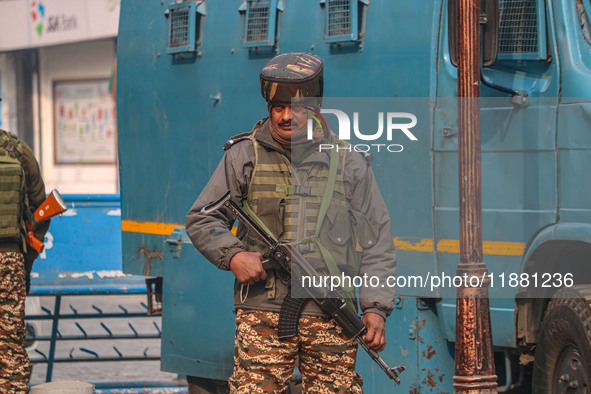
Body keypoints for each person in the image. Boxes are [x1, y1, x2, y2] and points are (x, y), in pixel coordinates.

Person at [186, 52, 396, 393]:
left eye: (295, 108)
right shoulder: (244, 155)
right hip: (262, 311)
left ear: (314, 108)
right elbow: (203, 217)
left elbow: (377, 243)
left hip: (331, 309)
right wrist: (235, 255)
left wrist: (375, 307)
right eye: (277, 107)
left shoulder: (349, 163)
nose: (285, 116)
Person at [0, 114, 49, 393]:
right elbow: (42, 213)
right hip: (8, 262)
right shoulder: (18, 152)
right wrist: (24, 265)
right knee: (9, 352)